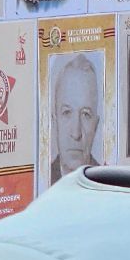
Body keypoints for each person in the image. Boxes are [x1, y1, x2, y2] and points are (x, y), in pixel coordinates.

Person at [46, 54, 101, 184]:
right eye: (67, 113)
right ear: (54, 122)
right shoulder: (44, 179)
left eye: (86, 114)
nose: (76, 133)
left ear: (95, 125)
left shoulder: (106, 182)